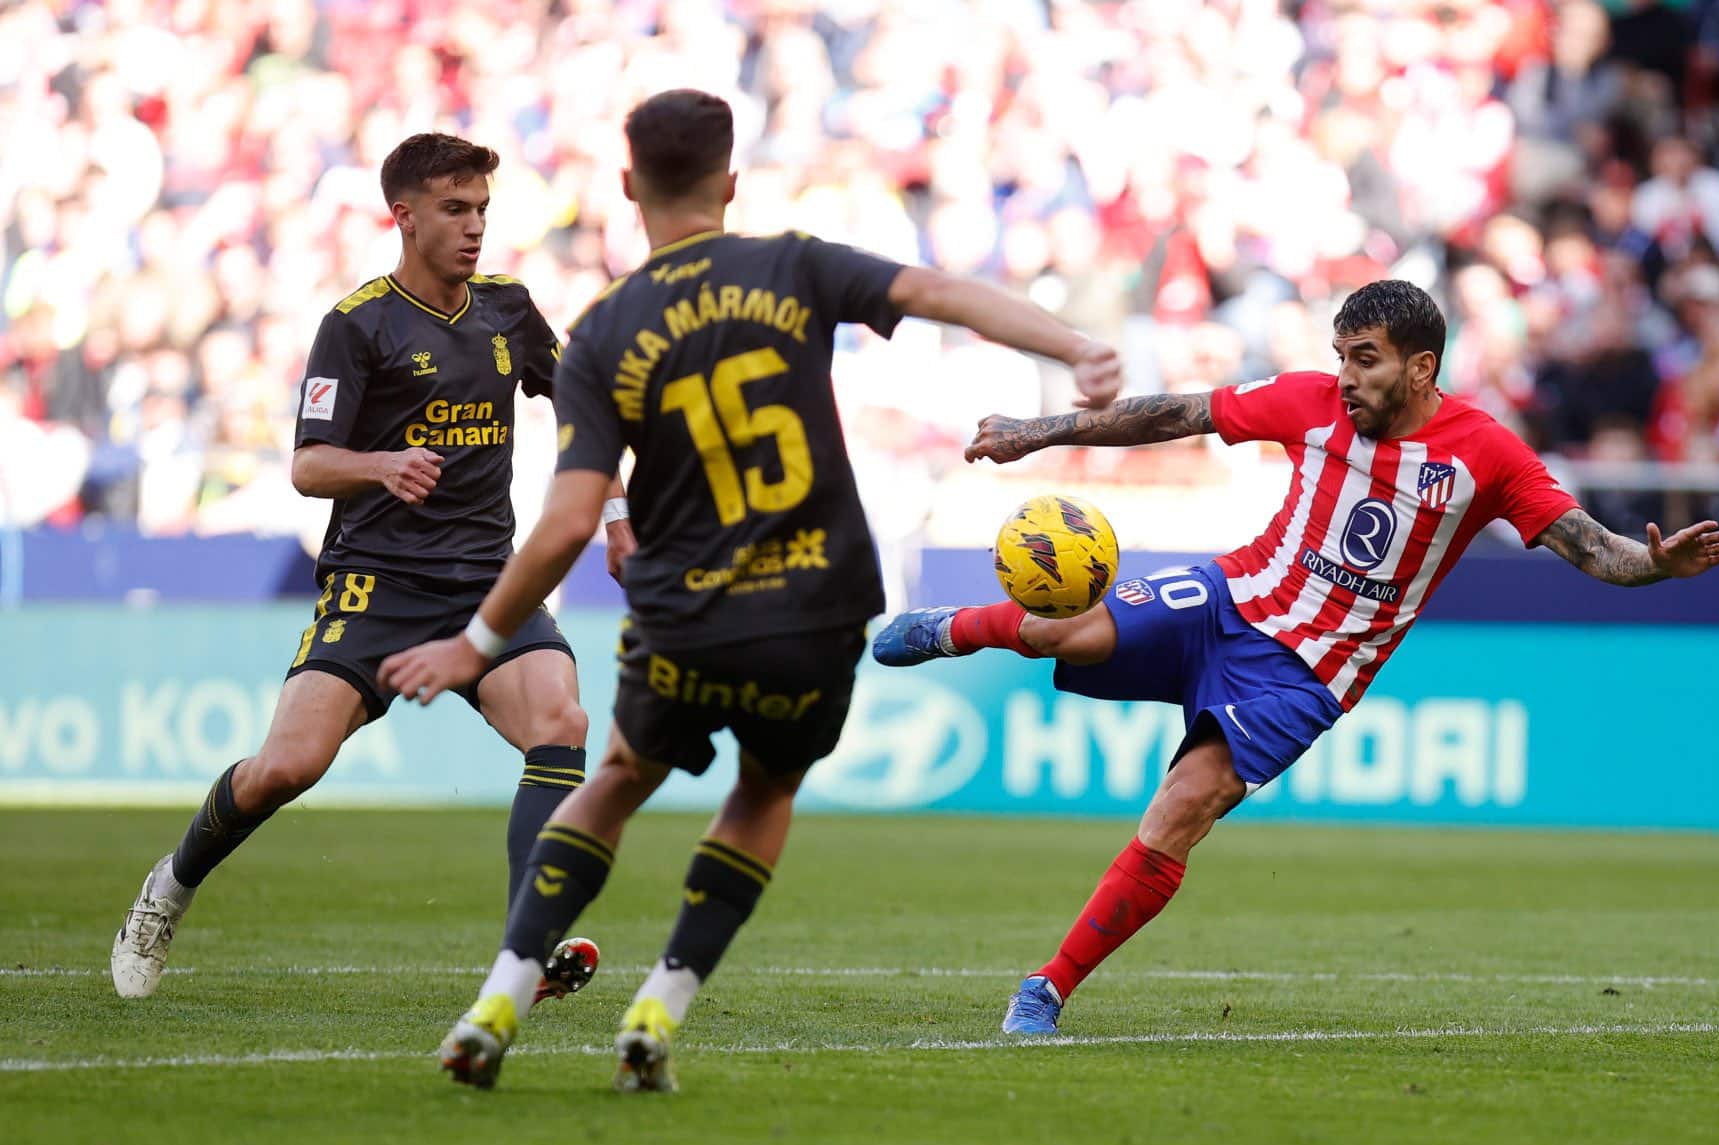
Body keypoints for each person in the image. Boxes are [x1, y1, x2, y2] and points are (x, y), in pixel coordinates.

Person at [376, 89, 1121, 1091]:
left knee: (615, 783)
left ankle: (503, 991)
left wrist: (474, 641)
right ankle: (660, 1004)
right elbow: (938, 292)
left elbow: (564, 522)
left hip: (685, 613)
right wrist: (1072, 347)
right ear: (730, 183)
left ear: (630, 186)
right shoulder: (792, 265)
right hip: (814, 609)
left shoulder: (603, 333)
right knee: (762, 790)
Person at [871, 279, 1719, 1036]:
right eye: (1341, 356)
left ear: (1421, 368)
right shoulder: (1307, 401)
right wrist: (1037, 431)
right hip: (1231, 594)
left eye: (1365, 358)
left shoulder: (1488, 456)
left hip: (1306, 674)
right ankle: (950, 629)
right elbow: (1175, 413)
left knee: (1183, 806)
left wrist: (1656, 564)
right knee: (1067, 626)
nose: (1347, 376)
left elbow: (1593, 550)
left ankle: (1046, 986)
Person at [109, 133, 630, 1003]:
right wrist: (381, 464)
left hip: (484, 587)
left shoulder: (509, 308)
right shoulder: (357, 325)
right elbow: (309, 466)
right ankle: (171, 884)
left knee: (562, 719)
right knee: (287, 767)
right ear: (405, 216)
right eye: (455, 211)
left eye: (482, 211)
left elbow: (587, 412)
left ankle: (525, 951)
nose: (473, 229)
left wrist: (615, 513)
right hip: (374, 585)